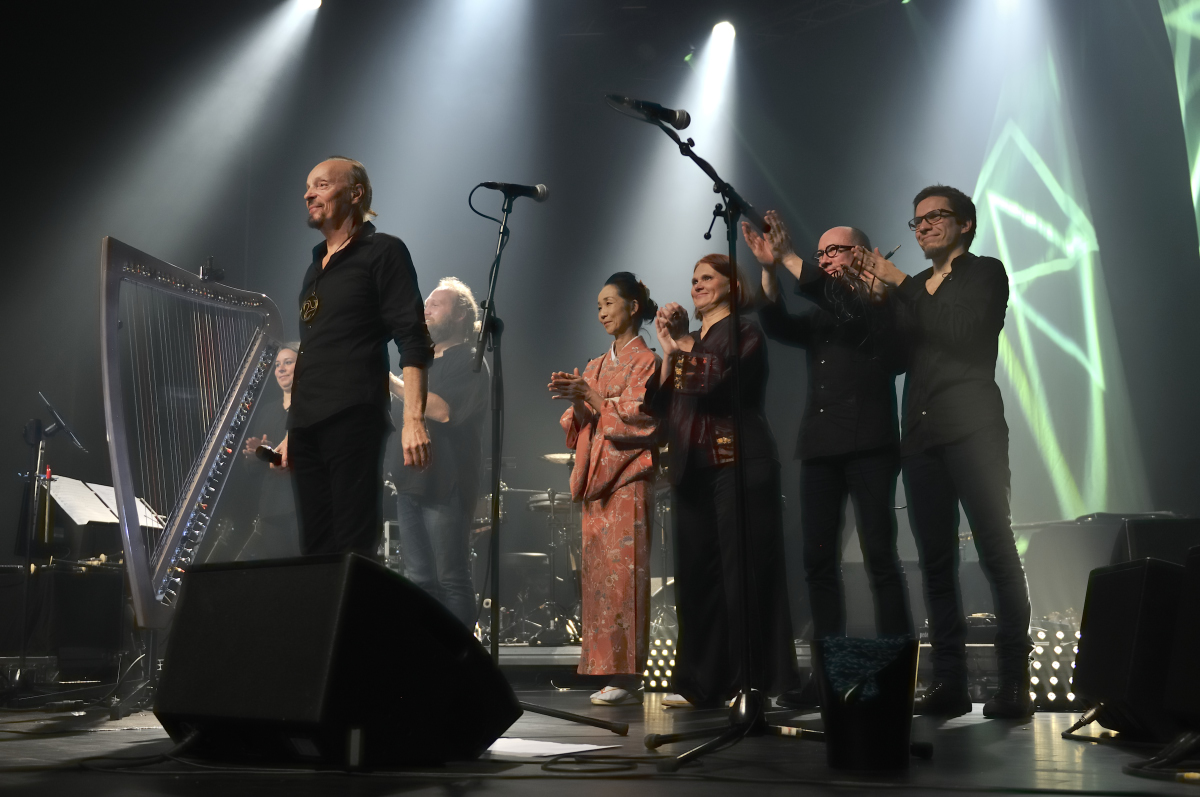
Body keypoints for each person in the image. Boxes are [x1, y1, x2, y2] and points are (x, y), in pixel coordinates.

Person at [856, 184, 1033, 719]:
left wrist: (902, 285)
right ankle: (949, 683)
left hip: (973, 429)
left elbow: (961, 331)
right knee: (935, 562)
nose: (924, 226)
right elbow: (891, 359)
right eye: (917, 221)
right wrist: (878, 304)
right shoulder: (911, 289)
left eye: (936, 216)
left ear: (965, 224)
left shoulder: (985, 273)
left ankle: (1014, 683)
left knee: (996, 550)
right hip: (921, 437)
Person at [743, 212, 913, 705]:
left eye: (833, 251)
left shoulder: (879, 298)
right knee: (818, 561)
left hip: (869, 445)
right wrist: (770, 269)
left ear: (860, 254)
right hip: (820, 446)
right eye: (820, 253)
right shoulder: (824, 307)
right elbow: (779, 324)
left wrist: (791, 258)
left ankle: (896, 675)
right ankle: (827, 676)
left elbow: (844, 305)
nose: (824, 260)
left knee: (880, 558)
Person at [652, 254, 800, 708]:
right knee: (697, 578)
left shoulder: (744, 331)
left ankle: (754, 681)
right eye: (693, 278)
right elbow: (659, 405)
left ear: (732, 286)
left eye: (707, 277)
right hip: (691, 468)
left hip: (737, 461)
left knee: (744, 575)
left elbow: (713, 384)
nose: (696, 285)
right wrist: (669, 352)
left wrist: (682, 346)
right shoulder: (691, 341)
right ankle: (702, 683)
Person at [277, 156, 434, 557]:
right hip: (306, 427)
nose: (308, 195)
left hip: (353, 416)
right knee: (314, 550)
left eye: (322, 185)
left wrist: (413, 420)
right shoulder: (315, 266)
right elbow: (313, 351)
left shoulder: (383, 251)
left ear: (355, 193)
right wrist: (293, 429)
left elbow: (412, 339)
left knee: (351, 547)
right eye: (307, 187)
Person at [548, 273, 661, 707]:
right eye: (598, 305)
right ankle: (605, 669)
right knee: (599, 578)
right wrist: (577, 399)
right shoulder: (596, 364)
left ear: (633, 307)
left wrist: (592, 397)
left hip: (627, 477)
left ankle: (627, 676)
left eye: (610, 303)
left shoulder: (647, 361)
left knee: (625, 576)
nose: (602, 312)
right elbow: (580, 425)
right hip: (597, 480)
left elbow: (642, 417)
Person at [390, 278, 489, 629]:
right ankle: (428, 654)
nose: (426, 309)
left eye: (436, 304)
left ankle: (460, 658)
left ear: (461, 314)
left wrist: (391, 382)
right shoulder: (422, 364)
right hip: (410, 483)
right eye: (425, 304)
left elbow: (443, 410)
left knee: (451, 579)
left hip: (446, 484)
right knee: (419, 580)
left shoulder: (471, 361)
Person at [238, 343, 303, 558]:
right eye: (277, 365)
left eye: (288, 362)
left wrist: (268, 453)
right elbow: (251, 470)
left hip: (303, 507)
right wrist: (256, 455)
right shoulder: (267, 411)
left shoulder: (310, 408)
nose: (280, 369)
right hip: (271, 511)